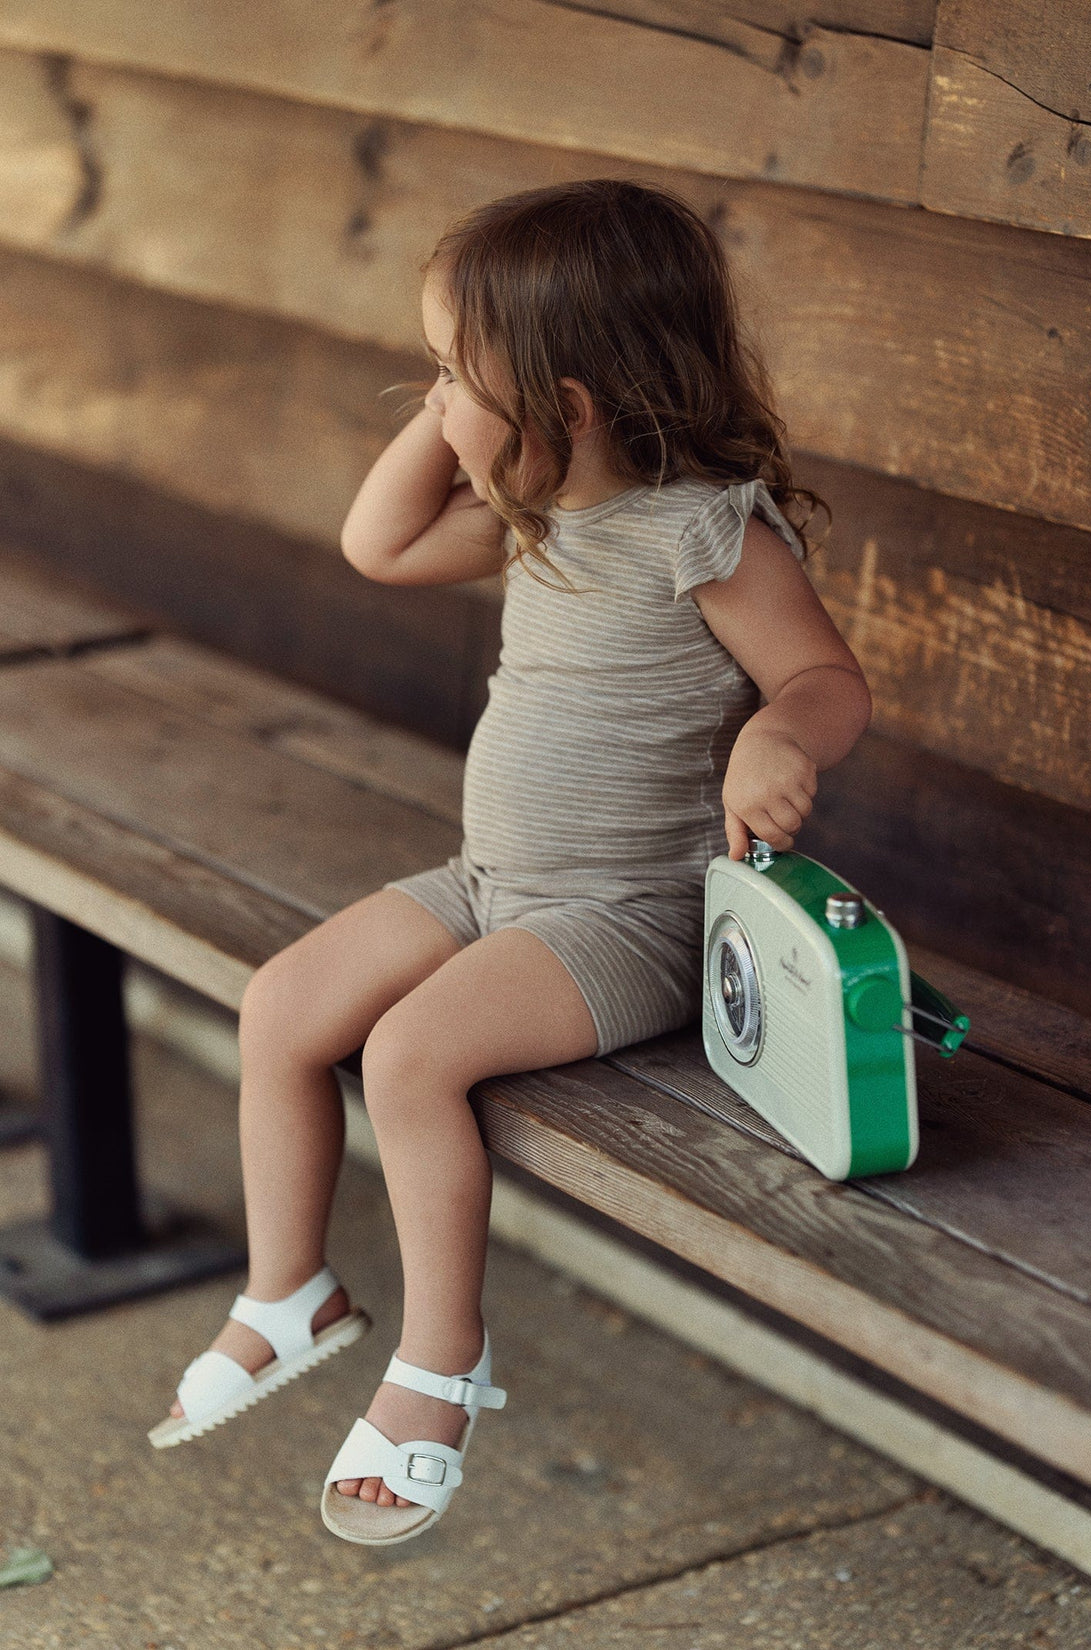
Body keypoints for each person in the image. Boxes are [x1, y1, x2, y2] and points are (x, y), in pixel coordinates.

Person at [150, 179, 872, 1545]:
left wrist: (779, 732)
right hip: (494, 884)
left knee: (412, 1054)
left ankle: (440, 1361)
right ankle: (290, 1290)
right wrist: (461, 409)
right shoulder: (531, 510)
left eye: (446, 378)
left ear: (571, 402)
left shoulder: (704, 531)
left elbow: (828, 677)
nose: (426, 407)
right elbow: (377, 544)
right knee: (282, 1007)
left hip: (632, 917)